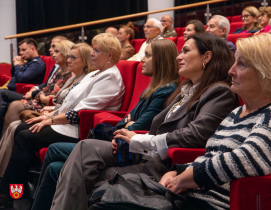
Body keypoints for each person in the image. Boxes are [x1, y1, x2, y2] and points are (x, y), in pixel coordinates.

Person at [49, 33, 238, 210]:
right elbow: (154, 127)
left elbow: (196, 134)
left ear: (206, 57)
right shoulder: (184, 90)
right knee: (85, 148)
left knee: (65, 167)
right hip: (148, 151)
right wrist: (130, 138)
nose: (179, 57)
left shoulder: (219, 92)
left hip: (168, 163)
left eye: (186, 51)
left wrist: (138, 140)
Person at [31, 38, 181, 210]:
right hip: (123, 142)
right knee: (54, 167)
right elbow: (127, 120)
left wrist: (128, 124)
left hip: (133, 149)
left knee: (53, 147)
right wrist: (127, 124)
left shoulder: (165, 90)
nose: (141, 59)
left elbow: (139, 125)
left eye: (147, 55)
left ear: (161, 60)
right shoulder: (152, 89)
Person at [159, 34, 271, 210]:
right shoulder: (237, 112)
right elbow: (212, 156)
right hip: (192, 199)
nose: (231, 70)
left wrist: (188, 177)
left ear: (266, 73)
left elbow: (249, 159)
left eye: (241, 64)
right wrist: (177, 171)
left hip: (222, 205)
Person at [0, 33, 125, 207]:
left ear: (110, 55)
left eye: (96, 50)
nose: (92, 54)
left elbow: (81, 112)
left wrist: (50, 120)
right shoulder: (96, 73)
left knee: (24, 136)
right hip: (66, 123)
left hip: (80, 129)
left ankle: (16, 196)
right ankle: (11, 191)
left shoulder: (110, 76)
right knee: (21, 129)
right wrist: (49, 116)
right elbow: (68, 102)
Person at [2, 40, 74, 136]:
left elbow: (21, 79)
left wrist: (18, 66)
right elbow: (47, 85)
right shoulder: (59, 70)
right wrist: (36, 89)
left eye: (57, 51)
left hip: (45, 103)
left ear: (65, 54)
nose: (53, 53)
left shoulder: (38, 64)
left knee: (8, 100)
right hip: (38, 98)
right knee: (9, 104)